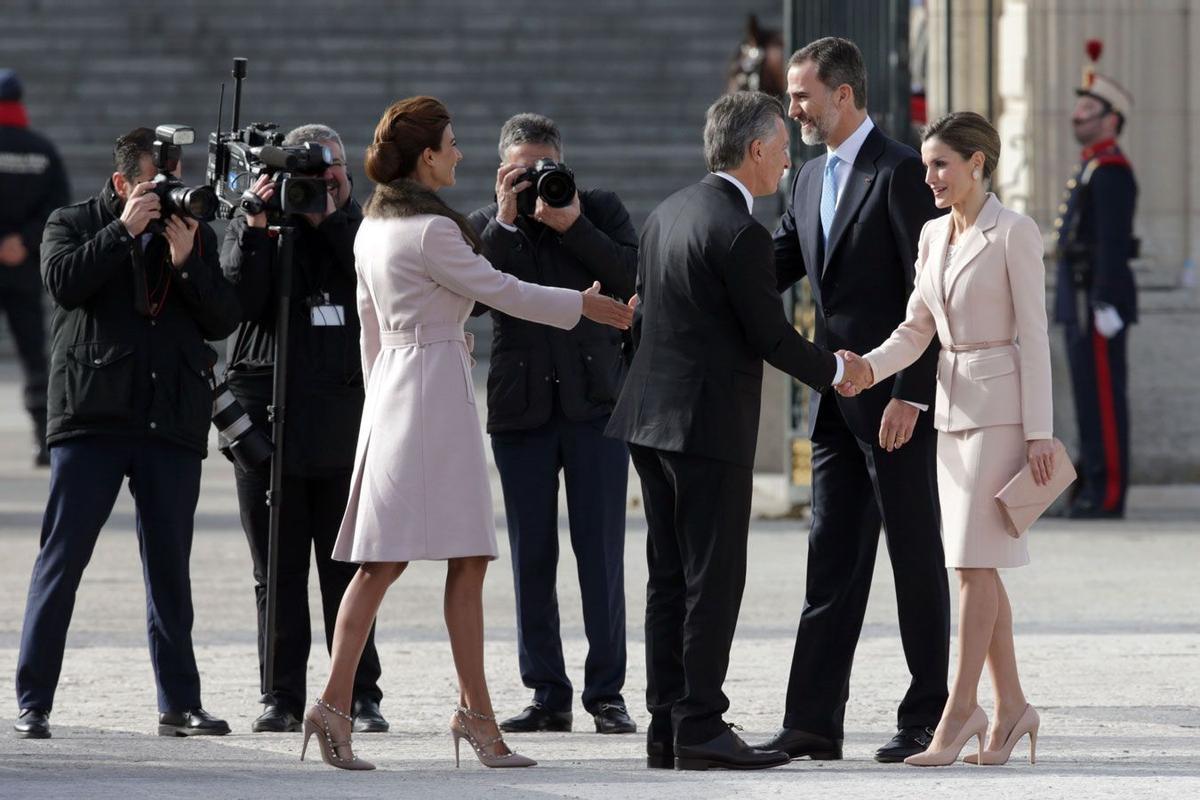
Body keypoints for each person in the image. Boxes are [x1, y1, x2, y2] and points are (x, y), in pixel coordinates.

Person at [302, 96, 633, 771]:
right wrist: (583, 304)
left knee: (388, 563)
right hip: (433, 398)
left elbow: (370, 335)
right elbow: (503, 289)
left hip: (397, 391)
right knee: (455, 560)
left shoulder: (371, 227)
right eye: (450, 144)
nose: (459, 155)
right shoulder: (432, 231)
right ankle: (467, 717)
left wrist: (382, 404)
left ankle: (347, 706)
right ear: (426, 156)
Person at [607, 90, 869, 772]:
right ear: (754, 151)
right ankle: (700, 723)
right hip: (705, 425)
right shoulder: (741, 230)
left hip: (648, 420)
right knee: (712, 580)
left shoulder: (669, 211)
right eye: (782, 150)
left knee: (669, 578)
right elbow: (771, 336)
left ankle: (667, 724)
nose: (788, 162)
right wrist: (838, 371)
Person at [756, 37, 950, 764]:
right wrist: (692, 280)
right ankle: (812, 720)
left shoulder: (901, 172)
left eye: (802, 94)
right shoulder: (806, 181)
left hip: (897, 406)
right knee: (828, 559)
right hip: (834, 406)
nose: (793, 107)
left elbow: (926, 299)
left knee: (915, 560)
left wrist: (912, 395)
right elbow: (771, 267)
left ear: (843, 94)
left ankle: (928, 714)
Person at [13, 127, 240, 739]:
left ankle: (180, 703)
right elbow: (62, 282)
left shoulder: (191, 230)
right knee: (62, 561)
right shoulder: (73, 221)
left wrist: (190, 260)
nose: (167, 192)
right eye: (153, 182)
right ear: (120, 183)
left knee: (170, 570)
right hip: (93, 415)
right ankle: (34, 701)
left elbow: (223, 316)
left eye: (173, 178)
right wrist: (123, 232)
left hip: (170, 418)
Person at [842, 111, 1053, 767]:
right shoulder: (933, 236)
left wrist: (1041, 432)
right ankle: (1014, 707)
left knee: (969, 566)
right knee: (979, 566)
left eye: (941, 164)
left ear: (977, 166)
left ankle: (960, 714)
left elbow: (1038, 339)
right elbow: (916, 327)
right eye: (928, 164)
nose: (928, 175)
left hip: (1003, 415)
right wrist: (868, 369)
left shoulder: (1015, 233)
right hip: (951, 415)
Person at [467, 113, 638, 736]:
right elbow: (477, 294)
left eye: (546, 169)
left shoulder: (597, 208)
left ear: (563, 164)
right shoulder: (490, 226)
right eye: (523, 171)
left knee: (601, 555)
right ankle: (547, 693)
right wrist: (506, 217)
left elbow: (631, 275)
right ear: (501, 173)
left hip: (595, 406)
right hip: (522, 413)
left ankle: (607, 694)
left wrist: (572, 224)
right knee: (531, 556)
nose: (538, 182)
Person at [220, 124, 387, 734]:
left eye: (336, 168)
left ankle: (360, 691)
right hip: (269, 423)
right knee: (276, 568)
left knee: (348, 565)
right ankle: (281, 696)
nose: (324, 182)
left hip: (343, 419)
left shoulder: (366, 228)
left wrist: (333, 218)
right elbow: (233, 303)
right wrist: (255, 227)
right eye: (313, 173)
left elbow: (374, 281)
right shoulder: (263, 222)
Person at [1053, 41, 1137, 519]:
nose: (1078, 115)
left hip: (1096, 298)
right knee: (1088, 395)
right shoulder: (1090, 167)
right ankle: (1089, 485)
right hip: (1081, 296)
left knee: (1104, 397)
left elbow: (1111, 242)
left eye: (1088, 109)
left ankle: (1107, 494)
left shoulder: (1111, 172)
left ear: (1111, 120)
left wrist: (1106, 300)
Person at [0, 68, 69, 466]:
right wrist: (22, 241)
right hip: (24, 268)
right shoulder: (41, 150)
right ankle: (44, 440)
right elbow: (56, 208)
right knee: (33, 355)